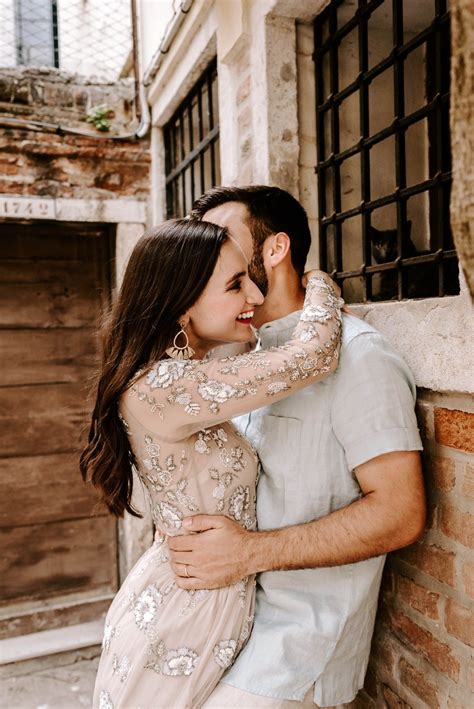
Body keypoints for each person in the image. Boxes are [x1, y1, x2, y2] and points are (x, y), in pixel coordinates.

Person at [167, 186, 426, 708]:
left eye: (226, 241)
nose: (212, 256)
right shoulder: (246, 360)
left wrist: (247, 553)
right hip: (225, 628)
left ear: (275, 249)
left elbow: (401, 513)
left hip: (295, 650)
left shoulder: (360, 358)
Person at [80, 217, 343, 709]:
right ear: (181, 304)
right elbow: (315, 355)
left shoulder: (190, 374)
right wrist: (321, 283)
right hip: (186, 615)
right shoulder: (163, 387)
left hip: (205, 596)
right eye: (234, 284)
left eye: (250, 276)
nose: (256, 298)